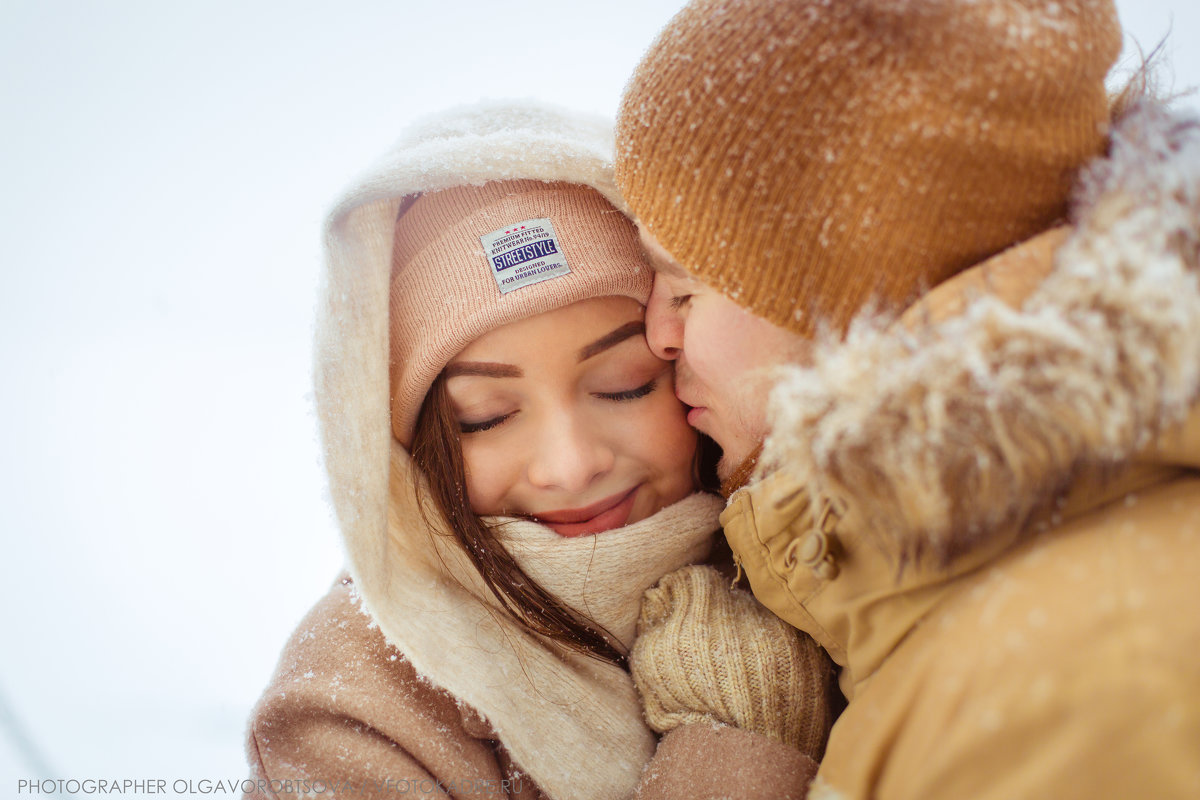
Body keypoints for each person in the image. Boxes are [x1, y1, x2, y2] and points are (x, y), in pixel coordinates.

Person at [615, 1, 1200, 798]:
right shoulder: (971, 612)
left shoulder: (1065, 697)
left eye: (686, 291)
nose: (657, 334)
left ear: (853, 301)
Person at [243, 100, 835, 800]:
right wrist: (732, 744)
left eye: (624, 387)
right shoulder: (352, 714)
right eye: (485, 418)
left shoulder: (827, 562)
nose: (570, 464)